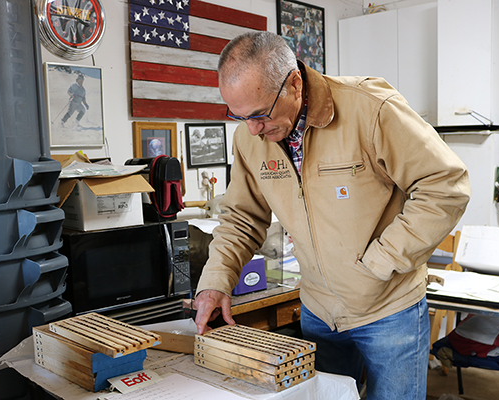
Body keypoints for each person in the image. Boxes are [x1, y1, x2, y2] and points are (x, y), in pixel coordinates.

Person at [192, 31, 471, 400]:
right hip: (318, 313)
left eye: (260, 114)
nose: (253, 129)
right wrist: (215, 281)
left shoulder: (370, 108)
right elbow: (242, 218)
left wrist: (379, 262)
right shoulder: (250, 138)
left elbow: (445, 185)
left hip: (389, 310)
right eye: (238, 116)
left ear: (293, 84)